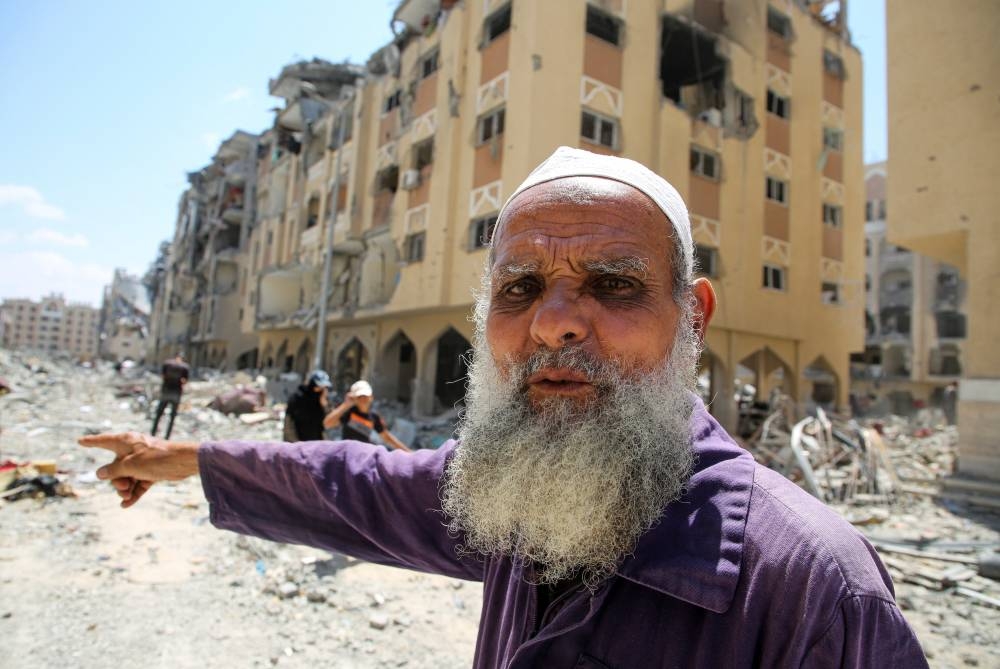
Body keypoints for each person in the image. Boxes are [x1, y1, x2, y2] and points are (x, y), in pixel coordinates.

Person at [81, 147, 926, 668]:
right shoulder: (511, 499)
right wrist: (188, 458)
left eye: (615, 285)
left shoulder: (814, 587)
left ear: (693, 315)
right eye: (521, 288)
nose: (555, 320)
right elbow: (355, 484)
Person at [323, 380, 411, 452]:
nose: (363, 399)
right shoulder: (349, 413)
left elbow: (386, 437)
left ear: (371, 397)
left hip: (364, 456)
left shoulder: (374, 417)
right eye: (360, 396)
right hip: (347, 453)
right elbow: (327, 424)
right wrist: (345, 405)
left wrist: (408, 452)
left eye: (366, 396)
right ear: (354, 398)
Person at [283, 370, 334, 442]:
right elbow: (289, 423)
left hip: (317, 444)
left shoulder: (323, 400)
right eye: (318, 387)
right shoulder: (297, 398)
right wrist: (294, 444)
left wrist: (324, 404)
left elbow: (330, 422)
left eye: (323, 388)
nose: (320, 390)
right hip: (299, 443)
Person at [151, 353, 189, 440]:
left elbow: (163, 376)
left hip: (166, 391)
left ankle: (153, 433)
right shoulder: (184, 367)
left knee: (159, 414)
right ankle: (167, 436)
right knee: (172, 416)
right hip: (176, 393)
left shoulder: (167, 364)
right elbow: (185, 380)